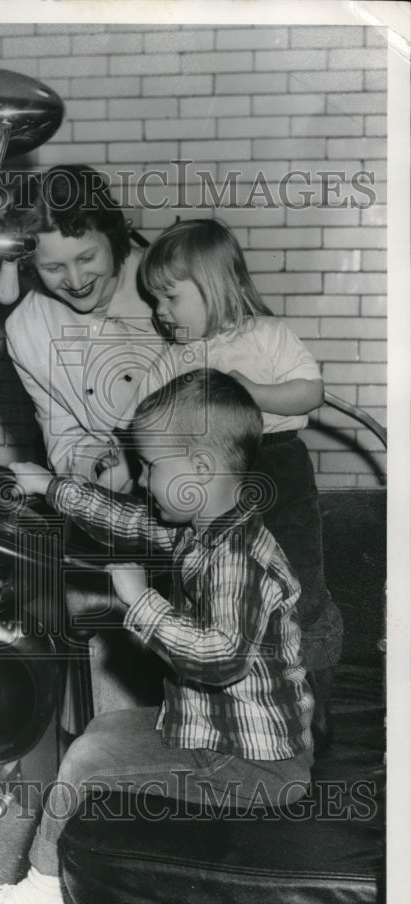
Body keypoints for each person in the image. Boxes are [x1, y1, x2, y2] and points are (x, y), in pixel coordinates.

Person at [0, 369, 314, 904]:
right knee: (106, 728)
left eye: (151, 466)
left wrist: (140, 601)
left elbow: (222, 658)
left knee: (87, 759)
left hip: (254, 767)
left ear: (201, 468)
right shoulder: (207, 528)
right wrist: (52, 488)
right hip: (218, 735)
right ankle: (51, 885)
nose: (141, 480)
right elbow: (133, 520)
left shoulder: (236, 559)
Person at [140, 218, 343, 749]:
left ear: (216, 286)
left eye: (170, 297)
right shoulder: (171, 359)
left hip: (278, 467)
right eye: (155, 299)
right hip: (210, 485)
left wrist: (254, 392)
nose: (159, 311)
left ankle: (313, 705)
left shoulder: (267, 335)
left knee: (301, 589)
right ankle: (222, 707)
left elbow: (311, 393)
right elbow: (145, 425)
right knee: (214, 593)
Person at [2, 164, 163, 491]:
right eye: (53, 268)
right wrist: (94, 464)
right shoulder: (27, 329)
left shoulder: (173, 286)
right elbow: (63, 432)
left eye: (87, 258)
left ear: (113, 237)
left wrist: (137, 461)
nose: (75, 282)